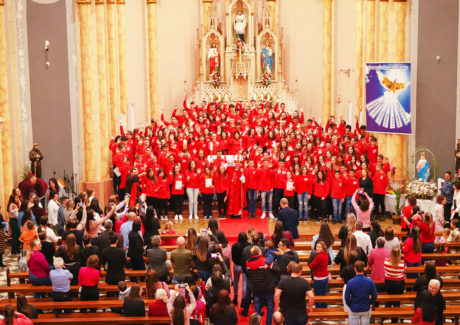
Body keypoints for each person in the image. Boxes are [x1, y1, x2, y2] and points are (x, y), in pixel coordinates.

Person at [246, 246, 276, 325]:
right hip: (268, 289)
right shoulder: (266, 261)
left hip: (257, 289)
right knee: (270, 308)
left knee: (257, 308)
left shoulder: (248, 263)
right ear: (259, 252)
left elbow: (248, 275)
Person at [344, 260, 377, 325]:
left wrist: (350, 305)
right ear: (363, 269)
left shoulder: (350, 282)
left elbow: (346, 297)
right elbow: (374, 295)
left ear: (355, 269)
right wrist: (369, 302)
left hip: (354, 307)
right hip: (365, 307)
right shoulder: (370, 281)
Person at [383, 246, 406, 322]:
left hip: (389, 283)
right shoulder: (402, 264)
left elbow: (385, 269)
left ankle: (385, 315)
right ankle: (394, 319)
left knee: (389, 297)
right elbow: (404, 271)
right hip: (399, 284)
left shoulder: (386, 262)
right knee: (397, 302)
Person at [308, 241, 329, 308]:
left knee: (318, 295)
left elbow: (311, 266)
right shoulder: (326, 254)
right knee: (324, 294)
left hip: (319, 278)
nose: (317, 248)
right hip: (325, 277)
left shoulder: (318, 257)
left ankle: (319, 311)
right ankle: (324, 310)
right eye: (317, 246)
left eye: (319, 247)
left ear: (323, 248)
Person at [231, 232, 249, 306]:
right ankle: (243, 300)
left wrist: (236, 263)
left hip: (237, 266)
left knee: (235, 281)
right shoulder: (248, 246)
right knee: (244, 283)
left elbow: (233, 257)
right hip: (245, 266)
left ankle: (235, 297)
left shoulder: (235, 245)